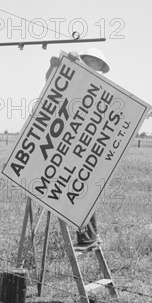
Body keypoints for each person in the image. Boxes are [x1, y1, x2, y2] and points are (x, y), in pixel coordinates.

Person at [45, 48, 110, 247]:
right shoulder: (77, 75)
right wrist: (54, 66)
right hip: (69, 140)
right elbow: (53, 86)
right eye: (88, 59)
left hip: (84, 143)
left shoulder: (98, 82)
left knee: (79, 190)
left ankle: (88, 237)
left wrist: (75, 63)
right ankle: (90, 236)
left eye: (95, 61)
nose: (91, 62)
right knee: (77, 189)